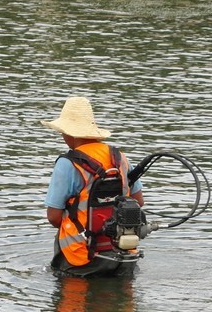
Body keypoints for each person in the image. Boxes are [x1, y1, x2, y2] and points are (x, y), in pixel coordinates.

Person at [42, 96, 144, 276]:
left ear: (68, 133)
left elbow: (53, 217)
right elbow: (138, 202)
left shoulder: (67, 163)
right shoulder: (119, 158)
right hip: (124, 253)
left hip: (81, 257)